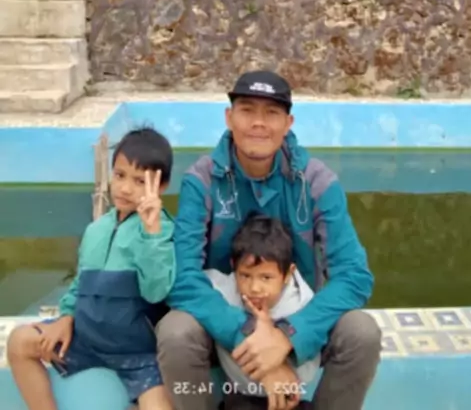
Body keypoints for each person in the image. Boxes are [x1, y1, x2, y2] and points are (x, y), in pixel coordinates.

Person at [157, 70, 382, 410]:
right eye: (247, 110)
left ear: (288, 123)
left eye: (272, 112)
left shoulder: (317, 182)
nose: (258, 123)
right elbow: (183, 278)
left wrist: (287, 335)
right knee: (176, 331)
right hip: (224, 320)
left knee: (361, 332)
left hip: (297, 315)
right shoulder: (202, 181)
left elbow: (354, 276)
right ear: (229, 117)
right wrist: (251, 337)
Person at [8, 127, 176, 410]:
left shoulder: (163, 231)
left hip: (138, 355)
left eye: (139, 181)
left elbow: (157, 291)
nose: (125, 188)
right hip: (86, 342)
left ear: (160, 187)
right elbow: (79, 285)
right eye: (120, 175)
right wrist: (66, 317)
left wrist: (151, 234)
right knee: (19, 342)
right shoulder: (97, 229)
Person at [205, 213, 321, 409]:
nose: (254, 288)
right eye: (245, 275)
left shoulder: (301, 304)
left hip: (289, 397)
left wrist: (279, 358)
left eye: (266, 278)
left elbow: (310, 361)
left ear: (288, 274)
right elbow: (188, 284)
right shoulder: (223, 289)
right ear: (233, 267)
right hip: (240, 392)